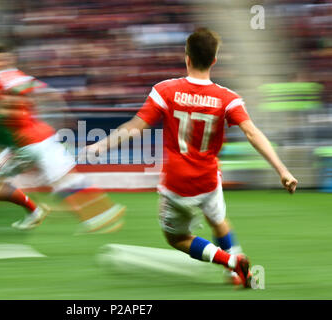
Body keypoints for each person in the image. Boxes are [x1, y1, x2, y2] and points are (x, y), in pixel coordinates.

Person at [84, 28, 298, 288]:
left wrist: (102, 146)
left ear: (187, 58)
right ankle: (237, 272)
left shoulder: (165, 90)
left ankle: (230, 263)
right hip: (209, 180)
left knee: (176, 238)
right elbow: (253, 133)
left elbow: (135, 127)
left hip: (178, 184)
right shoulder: (227, 98)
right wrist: (282, 171)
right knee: (218, 221)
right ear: (214, 60)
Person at [0, 43, 125, 234]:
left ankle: (101, 213)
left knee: (65, 181)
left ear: (7, 60)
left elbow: (46, 94)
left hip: (40, 140)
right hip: (17, 145)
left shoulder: (18, 79)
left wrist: (61, 116)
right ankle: (34, 211)